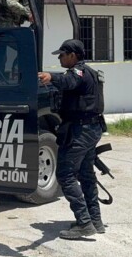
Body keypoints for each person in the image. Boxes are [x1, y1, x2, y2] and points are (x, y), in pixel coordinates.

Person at [38, 39, 106, 239]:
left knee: (65, 175)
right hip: (91, 128)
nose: (59, 58)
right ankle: (95, 220)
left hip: (81, 130)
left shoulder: (79, 72)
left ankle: (84, 223)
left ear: (73, 55)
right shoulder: (90, 72)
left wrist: (51, 76)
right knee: (86, 175)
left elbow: (69, 81)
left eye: (62, 54)